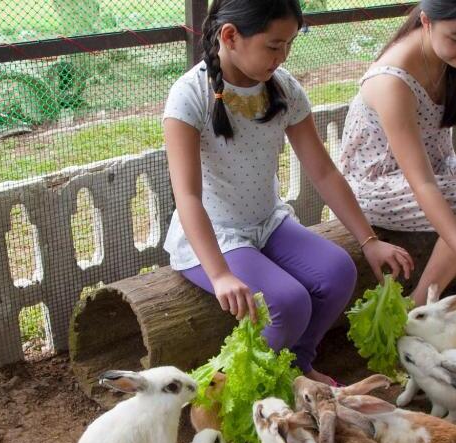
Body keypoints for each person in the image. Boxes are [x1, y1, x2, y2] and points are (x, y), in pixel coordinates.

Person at [162, 0, 413, 386]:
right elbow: (188, 197)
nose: (283, 57)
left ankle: (296, 366)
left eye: (289, 45)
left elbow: (324, 171)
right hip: (215, 235)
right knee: (289, 302)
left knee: (338, 272)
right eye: (274, 45)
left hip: (267, 222)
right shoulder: (188, 95)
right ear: (230, 36)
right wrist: (220, 275)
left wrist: (368, 240)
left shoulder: (284, 89)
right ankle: (243, 387)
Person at [340, 0, 456, 309]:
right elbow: (423, 184)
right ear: (427, 22)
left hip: (436, 171)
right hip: (380, 186)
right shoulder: (391, 80)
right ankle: (416, 307)